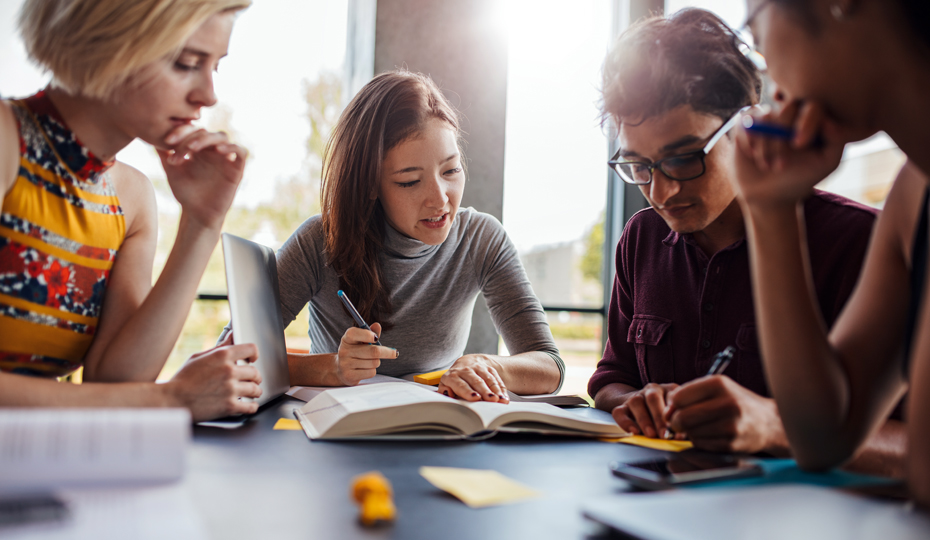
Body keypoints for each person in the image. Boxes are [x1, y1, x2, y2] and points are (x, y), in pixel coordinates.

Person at [586, 8, 905, 475]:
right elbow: (611, 379)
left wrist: (774, 427)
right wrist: (638, 403)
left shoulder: (862, 241)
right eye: (639, 166)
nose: (661, 192)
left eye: (684, 158)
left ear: (745, 124)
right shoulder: (641, 238)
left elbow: (911, 444)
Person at [0, 0, 262, 421]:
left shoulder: (132, 197)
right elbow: (130, 398)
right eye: (185, 63)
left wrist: (202, 222)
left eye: (214, 67)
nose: (208, 95)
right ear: (106, 43)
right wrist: (170, 399)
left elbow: (113, 384)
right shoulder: (5, 139)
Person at [731, 0, 930, 504]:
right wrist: (771, 209)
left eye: (756, 31)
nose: (766, 70)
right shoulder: (911, 198)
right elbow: (823, 436)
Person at [260, 70, 563, 401]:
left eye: (451, 170)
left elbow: (550, 367)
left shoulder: (481, 238)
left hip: (440, 431)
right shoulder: (319, 241)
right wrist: (332, 367)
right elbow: (236, 354)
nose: (440, 198)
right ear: (370, 185)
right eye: (409, 181)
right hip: (338, 436)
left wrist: (488, 365)